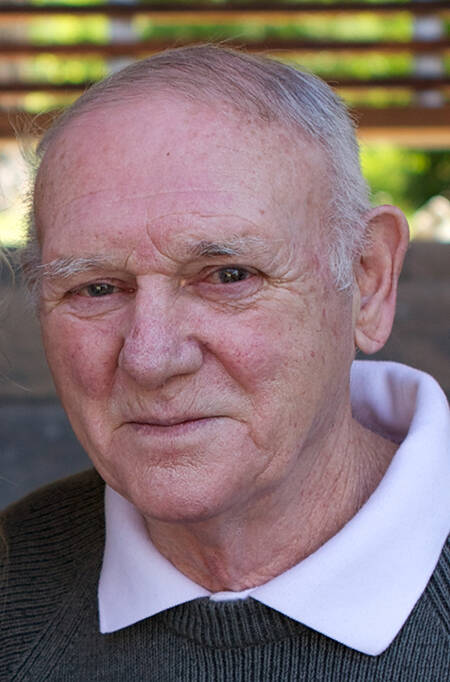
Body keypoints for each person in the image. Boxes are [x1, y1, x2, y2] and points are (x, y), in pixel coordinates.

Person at [1, 45, 448, 681]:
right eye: (95, 288)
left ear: (368, 280)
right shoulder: (12, 585)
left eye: (228, 276)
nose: (151, 358)